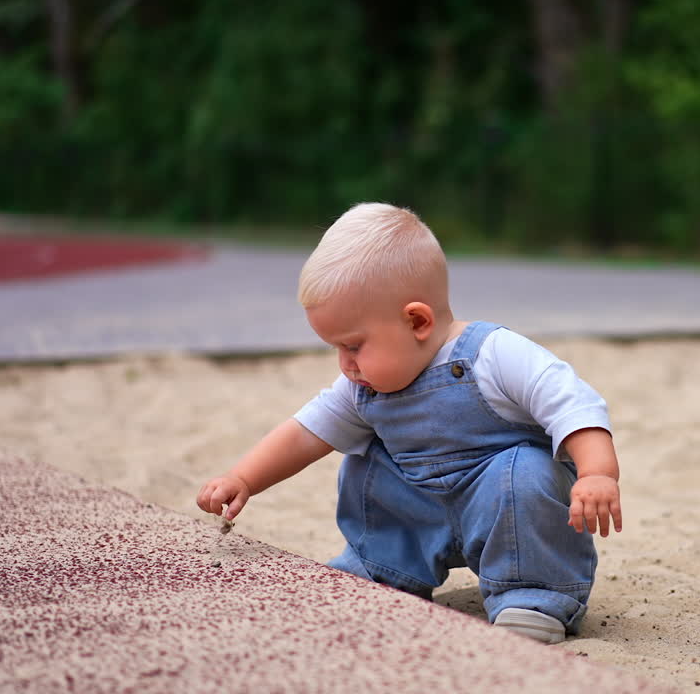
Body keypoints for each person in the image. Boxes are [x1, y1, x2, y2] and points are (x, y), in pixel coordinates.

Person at [197, 203, 622, 644]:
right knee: (369, 467)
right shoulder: (365, 387)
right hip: (419, 509)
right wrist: (243, 477)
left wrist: (596, 473)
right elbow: (307, 432)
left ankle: (532, 595)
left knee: (527, 473)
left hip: (501, 506)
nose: (345, 365)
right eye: (336, 349)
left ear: (416, 321)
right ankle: (382, 571)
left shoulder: (494, 355)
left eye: (354, 346)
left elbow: (572, 403)